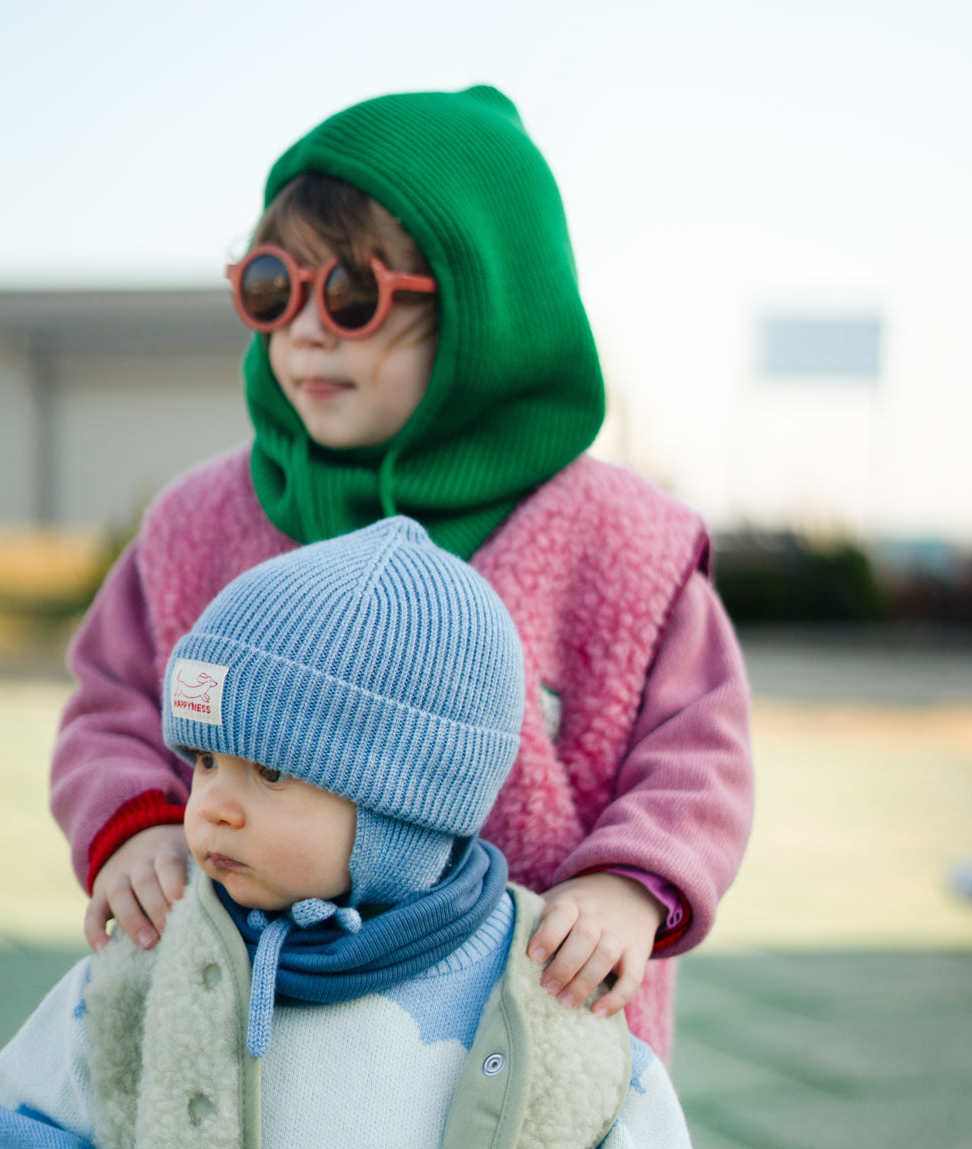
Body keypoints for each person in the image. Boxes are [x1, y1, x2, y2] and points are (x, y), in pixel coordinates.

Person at [51, 84, 753, 1061]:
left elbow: (697, 753)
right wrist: (135, 826)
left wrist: (630, 883)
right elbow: (112, 704)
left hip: (534, 1036)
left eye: (351, 295)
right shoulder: (198, 526)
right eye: (272, 288)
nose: (304, 330)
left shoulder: (622, 543)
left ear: (487, 313)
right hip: (258, 1031)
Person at [0, 519, 718, 1149]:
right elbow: (41, 1123)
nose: (210, 807)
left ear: (406, 803)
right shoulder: (153, 958)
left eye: (270, 771)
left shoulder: (550, 998)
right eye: (206, 761)